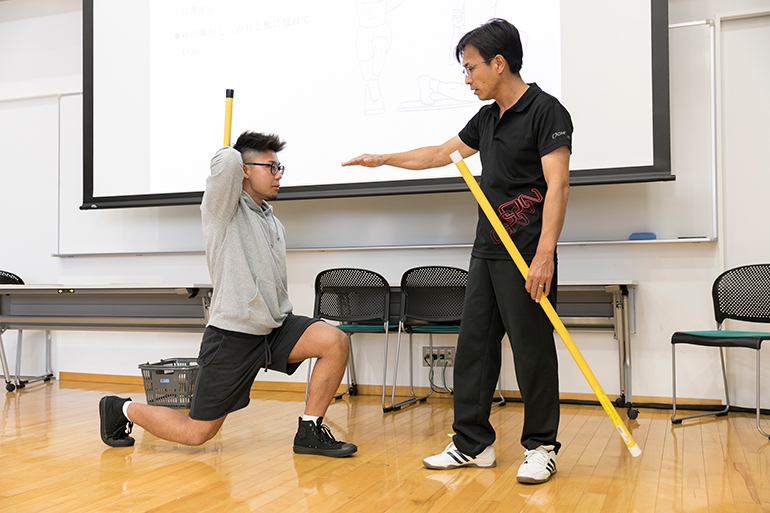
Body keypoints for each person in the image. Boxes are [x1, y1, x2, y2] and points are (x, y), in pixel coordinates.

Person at [342, 19, 572, 483]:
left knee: (532, 351)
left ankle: (541, 446)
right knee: (474, 349)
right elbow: (438, 154)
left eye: (471, 69)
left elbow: (558, 184)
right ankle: (472, 443)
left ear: (499, 63)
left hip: (526, 252)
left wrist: (544, 253)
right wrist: (383, 158)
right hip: (486, 250)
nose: (467, 78)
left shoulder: (547, 111)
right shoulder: (487, 119)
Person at [99, 131, 357, 458]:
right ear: (244, 170)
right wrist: (231, 155)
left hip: (275, 327)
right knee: (197, 433)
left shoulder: (272, 222)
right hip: (233, 335)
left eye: (281, 168)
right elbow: (226, 164)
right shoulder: (223, 210)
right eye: (271, 167)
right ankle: (119, 409)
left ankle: (309, 430)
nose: (278, 175)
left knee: (333, 341)